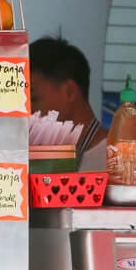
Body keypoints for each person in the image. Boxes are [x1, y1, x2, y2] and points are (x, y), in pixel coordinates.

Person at [29, 36, 107, 171]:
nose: (27, 113)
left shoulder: (116, 161)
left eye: (34, 99)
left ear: (70, 92)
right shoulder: (45, 161)